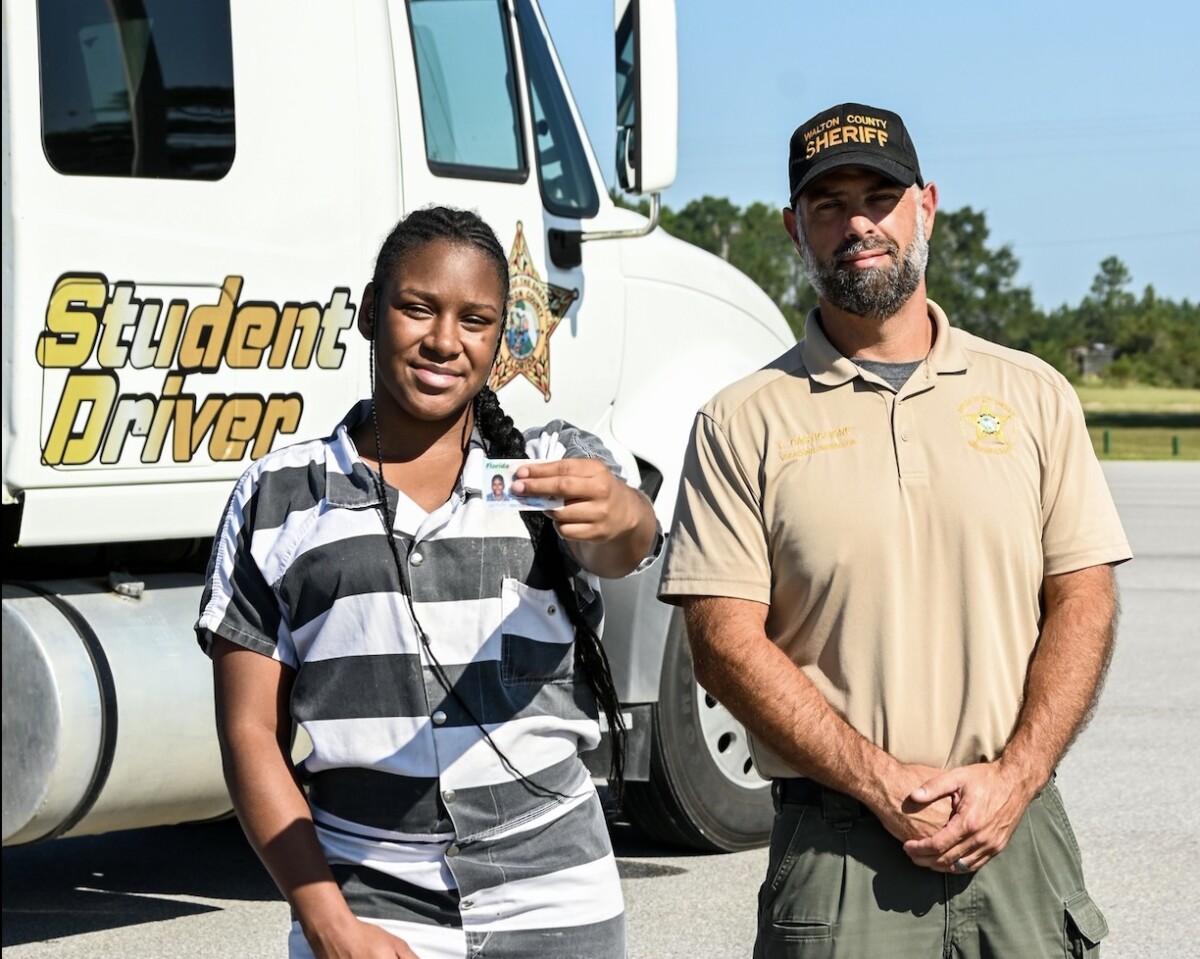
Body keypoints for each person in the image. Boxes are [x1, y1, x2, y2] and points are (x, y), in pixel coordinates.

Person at [657, 103, 1131, 958]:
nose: (858, 224)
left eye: (880, 195)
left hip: (1017, 839)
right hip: (840, 857)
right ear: (795, 227)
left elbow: (1085, 598)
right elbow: (723, 642)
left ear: (927, 205)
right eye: (829, 205)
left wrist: (1015, 777)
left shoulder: (1034, 394)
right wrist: (881, 782)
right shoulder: (741, 421)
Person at [196, 205, 660, 959]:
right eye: (418, 307)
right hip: (370, 903)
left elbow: (626, 544)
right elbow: (250, 732)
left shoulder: (546, 469)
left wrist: (623, 510)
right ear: (370, 310)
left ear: (499, 336)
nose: (445, 339)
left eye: (475, 319)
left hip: (558, 895)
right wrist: (329, 923)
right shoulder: (280, 495)